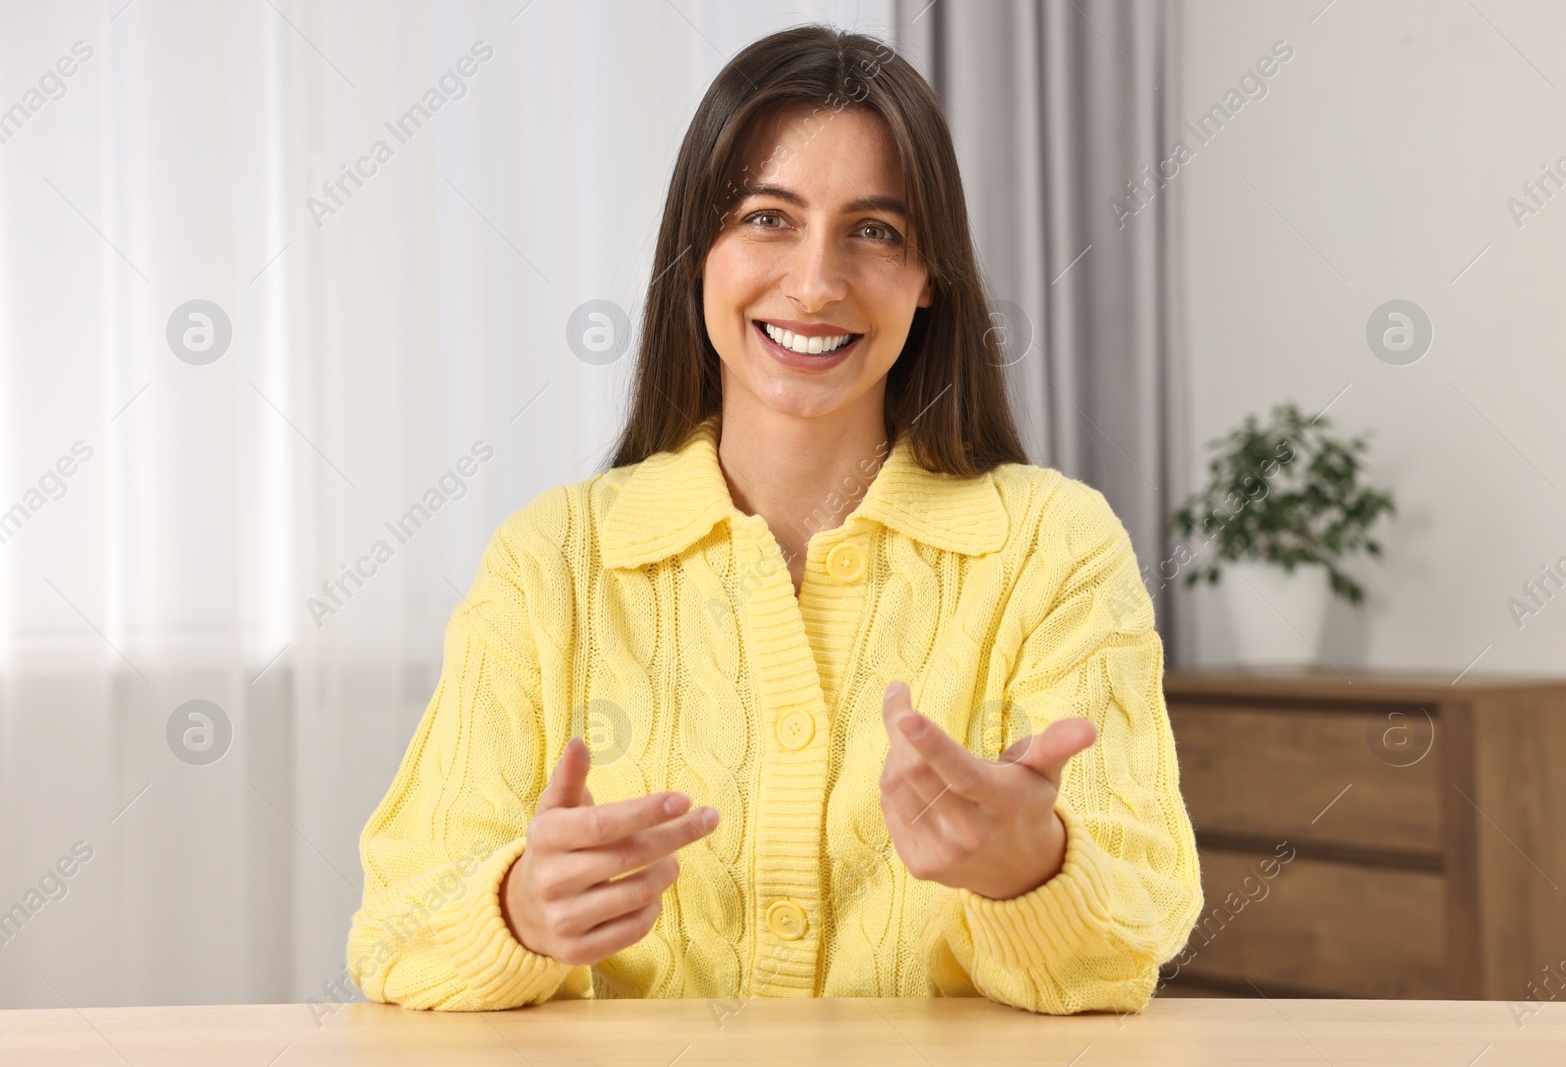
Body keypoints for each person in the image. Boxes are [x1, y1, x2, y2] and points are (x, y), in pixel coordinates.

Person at [346, 23, 1201, 1016]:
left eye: (874, 230)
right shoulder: (552, 559)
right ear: (696, 255)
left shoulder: (1055, 545)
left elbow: (1127, 944)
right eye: (767, 217)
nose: (814, 281)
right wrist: (519, 913)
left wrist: (1033, 867)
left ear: (930, 280)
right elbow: (398, 928)